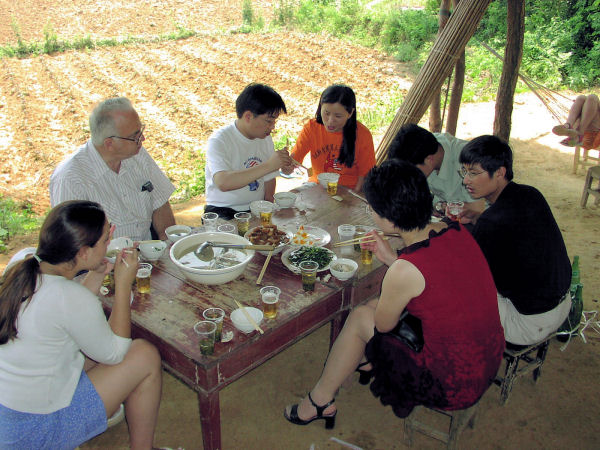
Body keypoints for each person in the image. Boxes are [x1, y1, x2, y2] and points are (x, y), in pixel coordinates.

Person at [283, 160, 504, 425]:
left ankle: (319, 400)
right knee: (376, 306)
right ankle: (362, 362)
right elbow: (434, 281)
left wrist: (395, 268)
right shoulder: (453, 229)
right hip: (488, 359)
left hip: (454, 384)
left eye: (371, 207)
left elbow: (383, 325)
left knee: (361, 316)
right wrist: (392, 259)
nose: (369, 211)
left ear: (388, 217)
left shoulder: (405, 271)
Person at [0, 201, 162, 449]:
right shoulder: (69, 297)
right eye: (106, 239)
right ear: (83, 252)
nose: (110, 242)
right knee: (143, 355)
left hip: (10, 417)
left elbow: (69, 312)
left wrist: (97, 272)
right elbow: (115, 353)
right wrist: (122, 285)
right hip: (34, 433)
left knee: (91, 349)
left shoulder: (23, 265)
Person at [459, 135, 572, 345]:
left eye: (474, 173)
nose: (466, 180)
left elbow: (473, 278)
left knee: (455, 291)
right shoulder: (531, 194)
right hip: (562, 305)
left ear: (500, 172)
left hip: (527, 323)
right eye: (464, 172)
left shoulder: (492, 223)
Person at [50, 97, 176, 241]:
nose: (143, 139)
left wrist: (167, 247)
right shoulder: (70, 179)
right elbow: (73, 246)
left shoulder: (137, 154)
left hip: (146, 252)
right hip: (104, 261)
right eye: (135, 136)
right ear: (109, 143)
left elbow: (160, 203)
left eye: (140, 131)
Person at [204, 83, 295, 220]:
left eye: (274, 122)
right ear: (248, 116)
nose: (272, 127)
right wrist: (270, 165)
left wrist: (268, 204)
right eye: (269, 121)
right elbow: (223, 182)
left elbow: (269, 178)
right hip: (222, 211)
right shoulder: (219, 140)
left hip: (256, 208)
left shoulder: (264, 138)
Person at [290, 84, 375, 192]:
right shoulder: (312, 128)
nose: (330, 121)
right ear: (320, 107)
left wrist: (353, 199)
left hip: (348, 190)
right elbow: (294, 160)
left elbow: (365, 175)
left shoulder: (363, 135)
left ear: (350, 113)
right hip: (317, 186)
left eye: (338, 116)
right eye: (326, 113)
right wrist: (287, 164)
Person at [387, 123, 485, 214]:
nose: (410, 177)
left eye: (412, 171)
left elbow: (478, 209)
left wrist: (445, 207)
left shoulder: (468, 160)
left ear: (429, 159)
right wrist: (438, 206)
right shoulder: (425, 149)